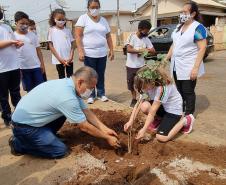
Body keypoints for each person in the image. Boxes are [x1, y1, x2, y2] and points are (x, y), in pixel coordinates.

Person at [9, 67, 120, 158]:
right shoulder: (67, 97)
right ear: (80, 82)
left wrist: (104, 129)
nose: (90, 91)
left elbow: (86, 111)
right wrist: (107, 138)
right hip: (24, 127)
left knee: (64, 112)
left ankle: (47, 136)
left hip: (32, 121)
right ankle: (18, 144)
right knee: (60, 150)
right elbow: (84, 127)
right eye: (90, 88)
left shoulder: (68, 85)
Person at [124, 65, 195, 142]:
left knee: (161, 137)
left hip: (173, 110)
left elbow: (152, 112)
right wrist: (131, 121)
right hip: (163, 107)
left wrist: (144, 130)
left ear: (151, 81)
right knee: (144, 106)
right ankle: (159, 119)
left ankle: (185, 120)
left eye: (144, 86)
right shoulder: (147, 85)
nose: (143, 89)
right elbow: (138, 103)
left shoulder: (163, 88)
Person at [165, 1, 207, 116]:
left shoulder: (198, 28)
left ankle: (189, 115)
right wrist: (166, 58)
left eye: (185, 12)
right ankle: (181, 111)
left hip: (189, 65)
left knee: (188, 91)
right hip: (176, 65)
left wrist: (195, 68)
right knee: (179, 90)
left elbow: (202, 48)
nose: (181, 14)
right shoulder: (179, 27)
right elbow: (174, 45)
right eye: (181, 12)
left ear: (192, 14)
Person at [75, 0, 114, 104]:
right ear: (88, 8)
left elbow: (108, 36)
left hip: (102, 53)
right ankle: (90, 95)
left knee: (100, 74)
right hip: (88, 53)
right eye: (92, 7)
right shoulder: (83, 19)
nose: (95, 9)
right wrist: (80, 51)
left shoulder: (104, 20)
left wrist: (111, 49)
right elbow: (78, 36)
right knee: (89, 75)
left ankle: (101, 93)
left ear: (99, 7)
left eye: (97, 7)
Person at [0, 8, 23, 126]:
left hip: (13, 66)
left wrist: (17, 44)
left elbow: (13, 42)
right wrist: (12, 42)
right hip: (1, 69)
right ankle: (7, 117)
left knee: (16, 92)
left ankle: (19, 115)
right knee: (3, 96)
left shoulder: (7, 27)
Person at [126, 20, 155, 107]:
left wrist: (146, 50)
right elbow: (128, 49)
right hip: (131, 66)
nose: (147, 33)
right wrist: (140, 51)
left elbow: (153, 51)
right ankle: (134, 99)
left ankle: (143, 99)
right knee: (131, 84)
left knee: (143, 84)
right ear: (140, 29)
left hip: (141, 66)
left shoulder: (146, 39)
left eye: (148, 31)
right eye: (145, 31)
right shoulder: (132, 36)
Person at [14, 11, 46, 92]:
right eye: (22, 23)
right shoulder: (13, 36)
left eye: (26, 23)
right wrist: (17, 69)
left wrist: (42, 64)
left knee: (40, 88)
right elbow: (12, 54)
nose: (24, 25)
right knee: (29, 90)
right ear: (16, 23)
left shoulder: (32, 35)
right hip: (23, 68)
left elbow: (38, 51)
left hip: (36, 67)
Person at [48, 9, 75, 79]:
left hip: (69, 59)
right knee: (61, 77)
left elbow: (72, 44)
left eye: (63, 19)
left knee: (70, 77)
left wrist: (71, 57)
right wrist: (60, 59)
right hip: (59, 60)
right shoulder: (51, 30)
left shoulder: (68, 30)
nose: (61, 21)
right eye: (59, 19)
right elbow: (51, 46)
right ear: (54, 19)